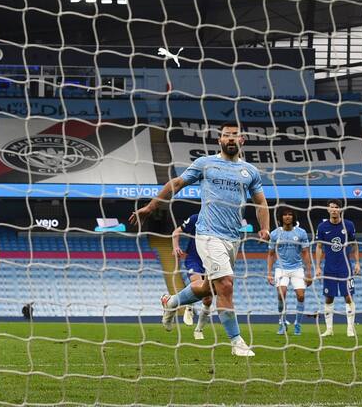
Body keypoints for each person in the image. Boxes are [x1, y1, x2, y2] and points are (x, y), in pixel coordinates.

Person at [130, 123, 270, 357]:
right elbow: (176, 183)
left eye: (235, 136)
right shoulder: (205, 163)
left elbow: (261, 203)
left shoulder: (250, 172)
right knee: (225, 284)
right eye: (226, 136)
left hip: (232, 237)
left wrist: (265, 228)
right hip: (207, 234)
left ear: (242, 140)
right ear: (220, 141)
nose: (231, 139)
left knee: (209, 288)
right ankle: (237, 342)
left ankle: (172, 302)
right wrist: (151, 206)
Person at [315, 200, 360, 337]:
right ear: (328, 210)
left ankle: (350, 329)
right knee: (329, 298)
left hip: (345, 268)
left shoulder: (349, 225)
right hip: (329, 268)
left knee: (348, 297)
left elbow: (354, 244)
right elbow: (319, 247)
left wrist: (357, 263)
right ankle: (329, 329)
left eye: (336, 207)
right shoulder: (322, 227)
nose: (334, 210)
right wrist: (317, 266)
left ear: (340, 209)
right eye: (331, 208)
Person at [267, 206, 312, 335]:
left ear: (293, 217)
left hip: (297, 268)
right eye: (285, 214)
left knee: (301, 296)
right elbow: (270, 254)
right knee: (281, 294)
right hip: (281, 269)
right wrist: (269, 273)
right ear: (281, 217)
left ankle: (298, 324)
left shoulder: (301, 233)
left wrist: (309, 272)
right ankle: (282, 322)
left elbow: (305, 253)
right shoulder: (275, 234)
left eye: (290, 214)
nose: (287, 216)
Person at [171, 212, 212, 340]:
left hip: (211, 261)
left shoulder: (221, 220)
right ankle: (189, 305)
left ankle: (198, 330)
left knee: (208, 300)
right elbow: (176, 232)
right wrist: (176, 246)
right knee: (197, 283)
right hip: (194, 259)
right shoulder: (196, 218)